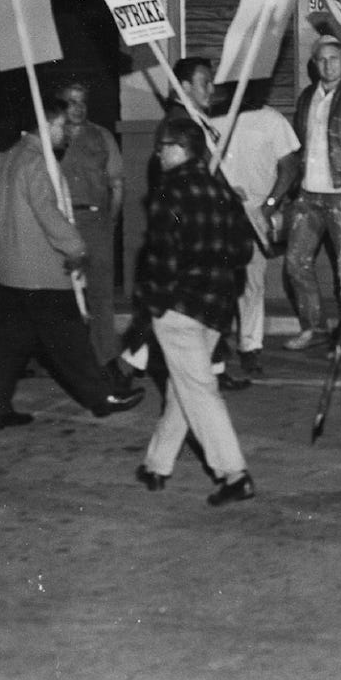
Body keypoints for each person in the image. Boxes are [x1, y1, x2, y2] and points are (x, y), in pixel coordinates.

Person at [0, 92, 145, 430]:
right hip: (38, 271)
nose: (66, 133)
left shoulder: (5, 158)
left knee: (9, 344)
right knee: (71, 339)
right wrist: (75, 247)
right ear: (45, 125)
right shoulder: (38, 162)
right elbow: (47, 211)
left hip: (6, 269)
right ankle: (102, 397)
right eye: (61, 126)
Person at [133, 117, 256, 502]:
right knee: (184, 385)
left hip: (179, 304)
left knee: (197, 389)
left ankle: (234, 474)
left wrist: (152, 305)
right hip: (217, 304)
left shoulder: (169, 192)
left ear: (181, 149)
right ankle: (156, 464)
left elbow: (162, 257)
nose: (158, 154)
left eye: (163, 147)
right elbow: (243, 251)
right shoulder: (222, 190)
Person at [285, 34, 341, 351]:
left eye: (333, 58)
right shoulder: (307, 97)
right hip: (308, 194)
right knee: (295, 261)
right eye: (322, 60)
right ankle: (313, 327)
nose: (328, 65)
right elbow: (299, 145)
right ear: (314, 63)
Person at [212, 89, 301, 376]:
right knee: (218, 281)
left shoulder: (272, 120)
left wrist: (270, 205)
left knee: (252, 282)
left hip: (257, 214)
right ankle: (216, 347)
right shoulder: (213, 118)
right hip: (221, 213)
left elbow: (289, 167)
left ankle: (250, 346)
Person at [55, 80, 124, 373]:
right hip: (61, 224)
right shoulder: (52, 137)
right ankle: (68, 361)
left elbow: (117, 184)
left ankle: (107, 360)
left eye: (82, 101)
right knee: (62, 294)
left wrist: (111, 221)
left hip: (96, 222)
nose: (78, 108)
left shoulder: (101, 136)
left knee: (101, 295)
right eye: (71, 102)